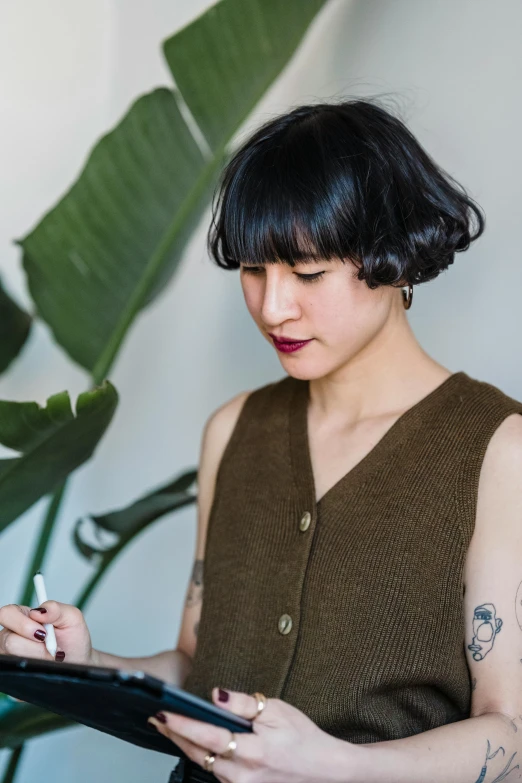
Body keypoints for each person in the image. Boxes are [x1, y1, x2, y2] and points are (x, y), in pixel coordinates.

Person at [2, 98, 522, 783]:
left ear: (396, 258)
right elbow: (199, 667)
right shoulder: (233, 430)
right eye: (253, 269)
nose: (273, 307)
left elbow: (509, 734)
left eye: (307, 273)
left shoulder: (495, 448)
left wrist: (332, 765)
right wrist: (84, 667)